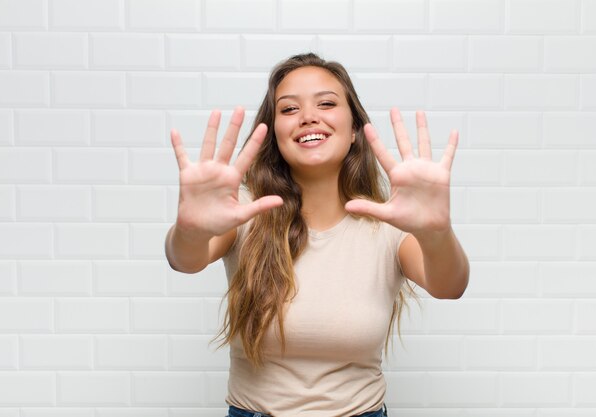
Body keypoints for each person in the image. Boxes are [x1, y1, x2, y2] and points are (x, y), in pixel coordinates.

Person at [165, 53, 469, 417]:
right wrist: (189, 229)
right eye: (289, 109)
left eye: (326, 103)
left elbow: (450, 286)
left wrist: (436, 232)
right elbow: (184, 259)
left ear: (355, 127)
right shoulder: (245, 211)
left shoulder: (388, 223)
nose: (309, 116)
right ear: (274, 133)